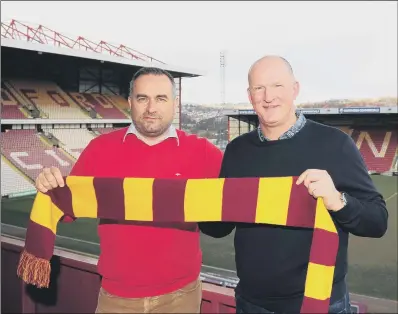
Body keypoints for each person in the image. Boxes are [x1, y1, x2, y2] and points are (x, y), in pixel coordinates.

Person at [199, 55, 388, 314]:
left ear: (295, 89)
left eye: (277, 86)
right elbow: (218, 227)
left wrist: (337, 201)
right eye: (259, 88)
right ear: (249, 95)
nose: (268, 96)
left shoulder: (335, 144)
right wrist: (198, 200)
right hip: (251, 303)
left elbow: (377, 221)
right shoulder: (237, 151)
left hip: (320, 303)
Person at [35, 67, 223, 313]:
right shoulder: (100, 149)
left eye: (161, 98)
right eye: (142, 98)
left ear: (174, 104)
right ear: (130, 101)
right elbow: (66, 210)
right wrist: (51, 186)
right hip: (116, 298)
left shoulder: (203, 152)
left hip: (181, 297)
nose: (151, 108)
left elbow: (241, 194)